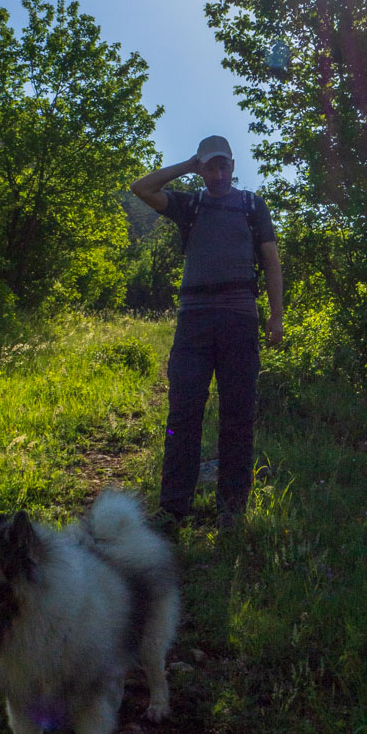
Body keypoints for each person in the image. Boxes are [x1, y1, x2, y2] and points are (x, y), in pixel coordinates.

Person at [131, 135, 283, 526]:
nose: (217, 174)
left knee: (238, 415)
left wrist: (276, 316)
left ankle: (232, 509)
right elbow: (141, 187)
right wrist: (186, 165)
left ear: (233, 166)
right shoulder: (189, 204)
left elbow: (271, 262)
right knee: (183, 414)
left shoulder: (252, 206)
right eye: (210, 167)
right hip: (194, 323)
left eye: (223, 166)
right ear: (203, 169)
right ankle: (173, 507)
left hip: (240, 320)